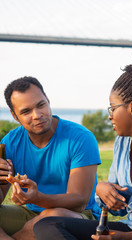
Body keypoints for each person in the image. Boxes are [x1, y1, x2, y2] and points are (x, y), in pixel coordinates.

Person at [33, 43, 132, 240]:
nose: (110, 116)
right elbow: (119, 210)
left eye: (113, 108)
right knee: (47, 225)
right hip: (128, 226)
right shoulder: (122, 143)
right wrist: (103, 191)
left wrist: (123, 238)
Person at [0, 77, 101, 240]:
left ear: (47, 99)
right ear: (14, 115)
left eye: (41, 105)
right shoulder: (10, 142)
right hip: (30, 213)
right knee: (42, 220)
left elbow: (79, 201)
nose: (37, 115)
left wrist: (37, 197)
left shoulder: (81, 138)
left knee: (50, 218)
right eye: (26, 111)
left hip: (78, 217)